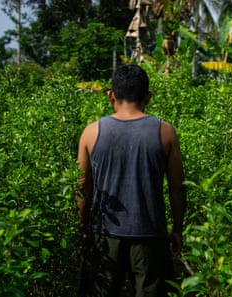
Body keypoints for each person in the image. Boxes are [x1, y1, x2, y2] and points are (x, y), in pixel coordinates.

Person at [76, 64, 186, 297]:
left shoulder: (91, 132)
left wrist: (84, 229)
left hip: (104, 236)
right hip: (151, 236)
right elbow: (177, 187)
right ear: (148, 97)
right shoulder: (165, 132)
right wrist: (177, 228)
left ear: (110, 96)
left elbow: (83, 188)